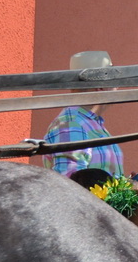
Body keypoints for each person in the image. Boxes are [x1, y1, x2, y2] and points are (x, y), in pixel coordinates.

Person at [41, 51, 125, 179]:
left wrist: (129, 185)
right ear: (101, 86)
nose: (117, 88)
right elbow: (71, 184)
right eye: (115, 81)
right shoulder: (72, 124)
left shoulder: (87, 122)